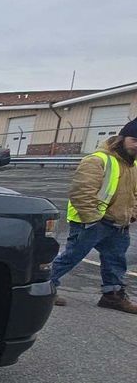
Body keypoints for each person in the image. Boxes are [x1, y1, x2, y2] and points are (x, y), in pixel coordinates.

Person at [51, 118, 137, 312]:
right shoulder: (97, 160)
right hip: (91, 223)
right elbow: (82, 192)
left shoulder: (133, 165)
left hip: (118, 224)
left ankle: (112, 296)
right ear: (122, 138)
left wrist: (132, 214)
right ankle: (44, 288)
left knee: (116, 261)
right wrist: (93, 219)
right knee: (70, 257)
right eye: (134, 139)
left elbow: (135, 193)